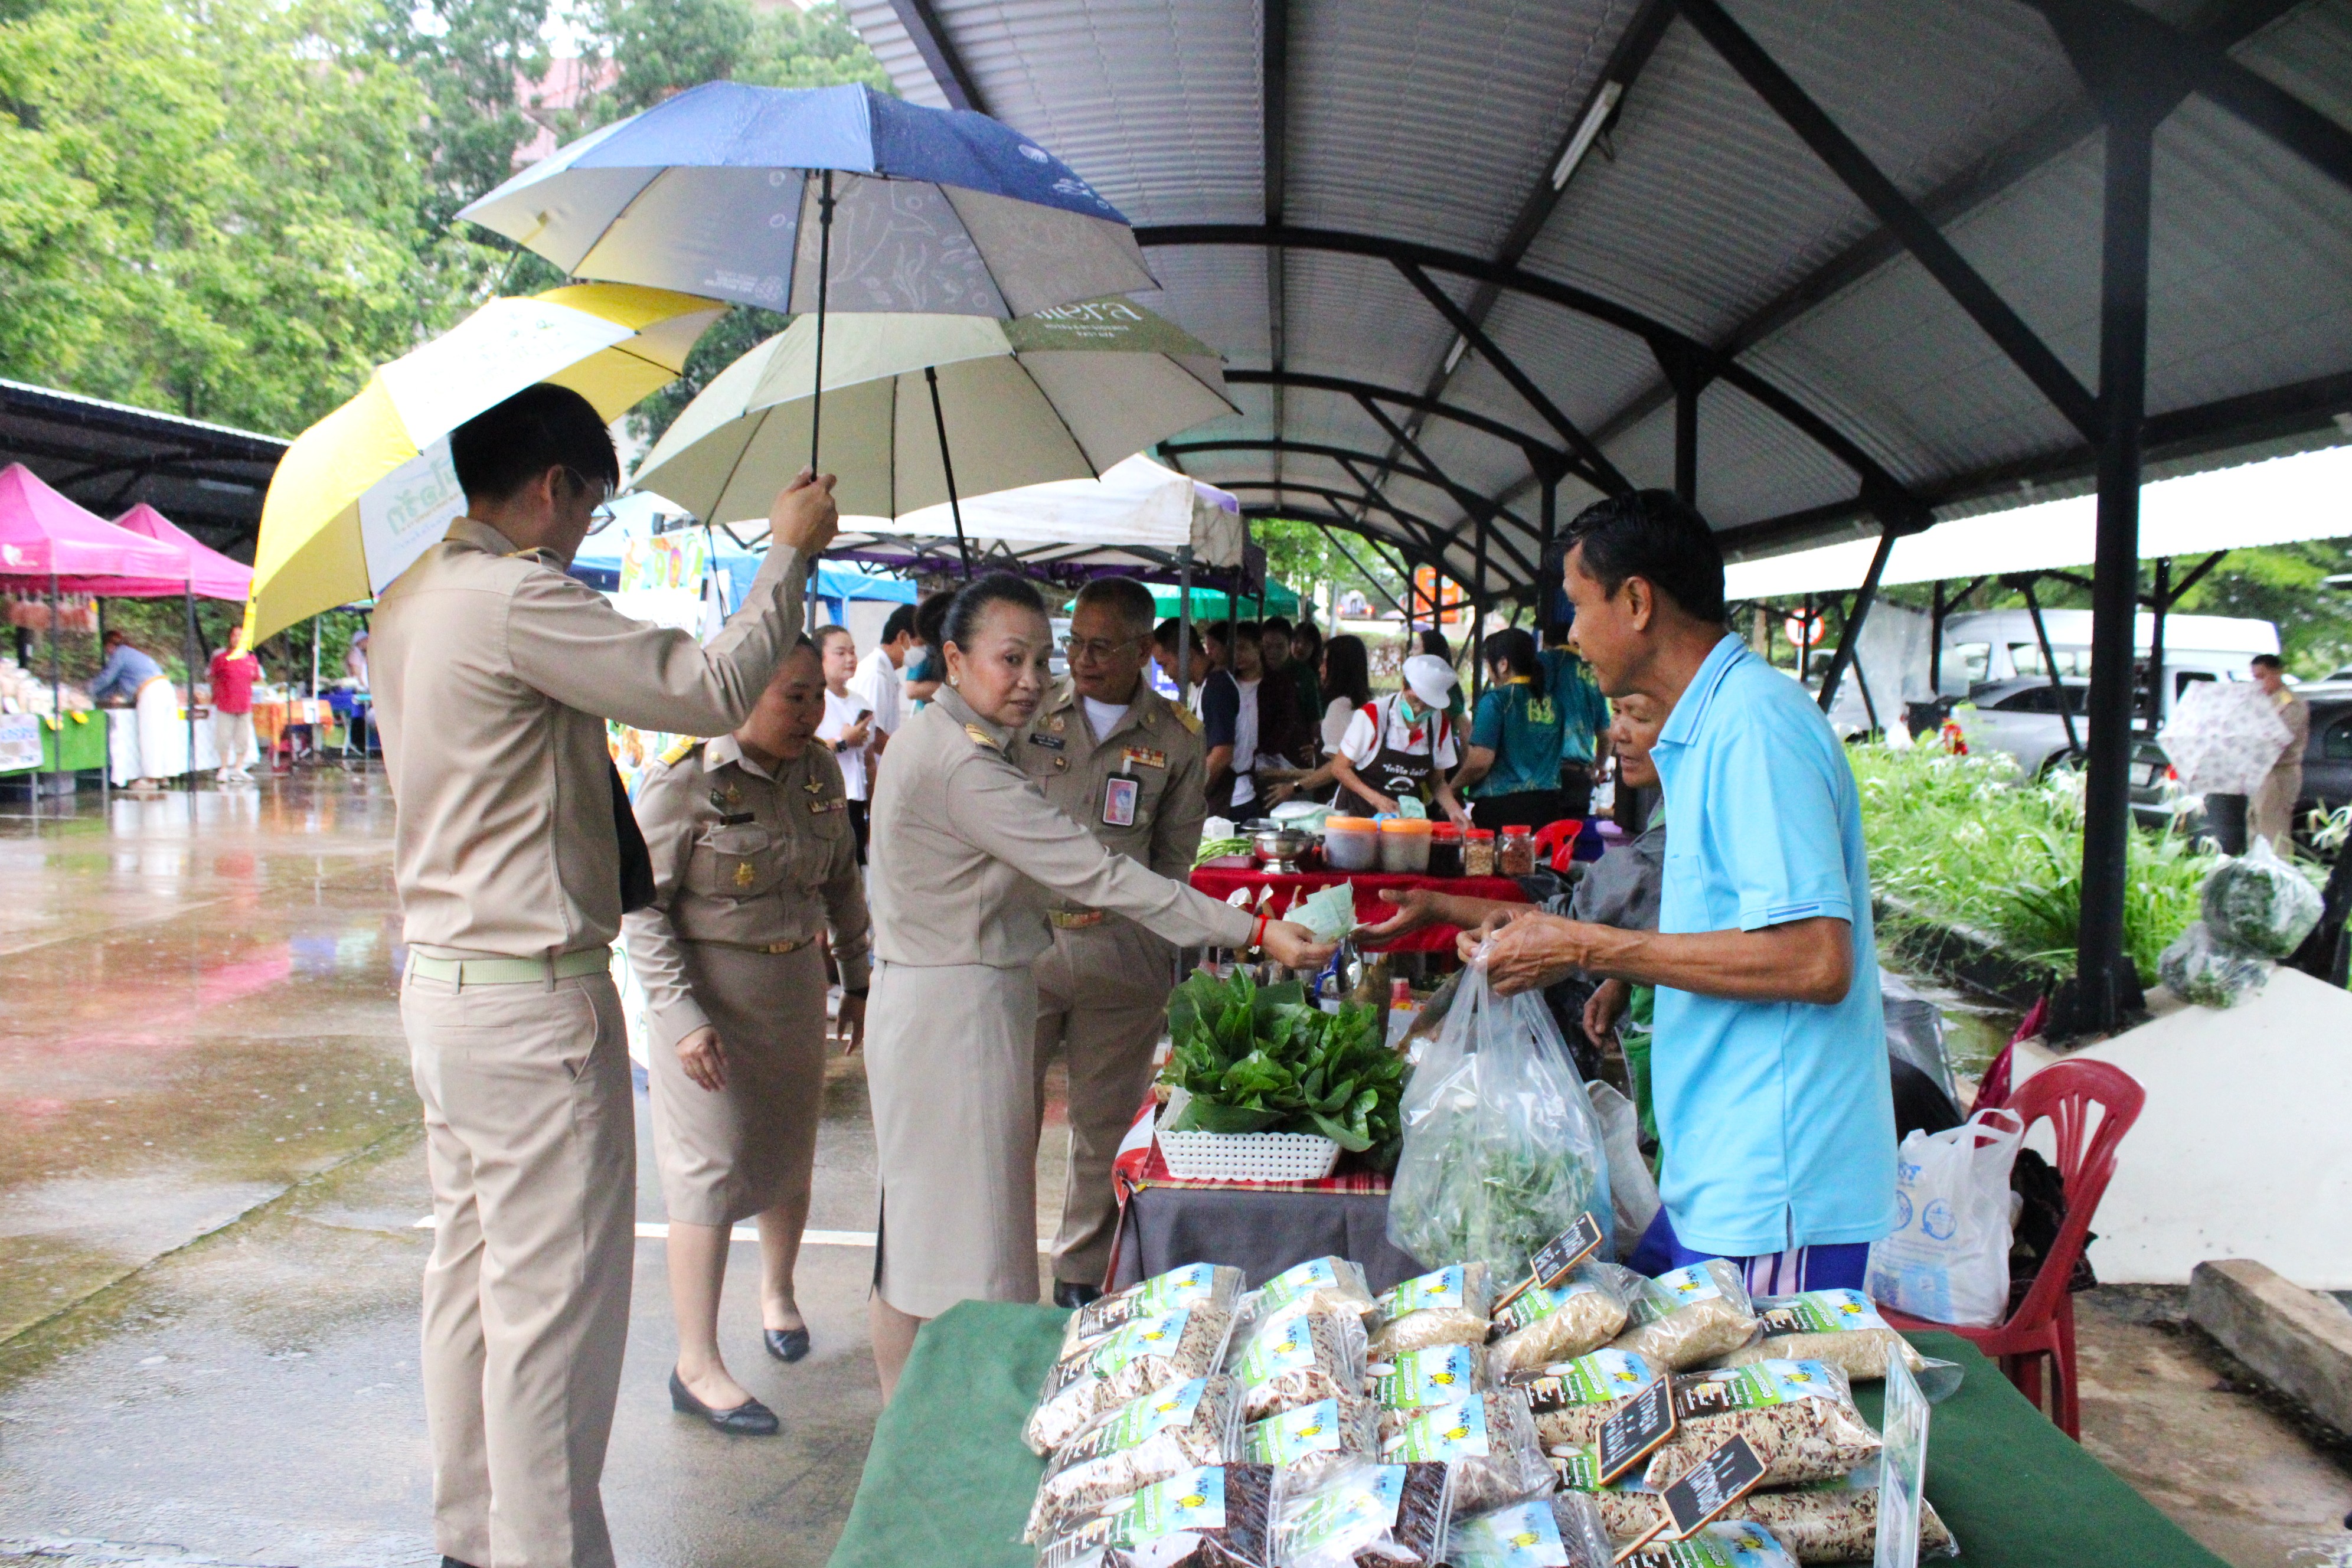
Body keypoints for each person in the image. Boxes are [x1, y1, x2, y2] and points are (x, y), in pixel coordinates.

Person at [371, 381, 838, 1568]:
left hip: (444, 987)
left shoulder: (408, 600)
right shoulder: (514, 597)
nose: (583, 534)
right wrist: (785, 555)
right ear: (548, 489)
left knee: (472, 1289)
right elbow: (712, 688)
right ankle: (545, 1552)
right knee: (554, 1321)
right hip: (531, 1001)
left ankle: (475, 1538)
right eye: (587, 507)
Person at [862, 573, 1334, 1396]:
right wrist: (1253, 930)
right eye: (1012, 658)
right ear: (954, 658)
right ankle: (962, 1428)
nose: (1035, 677)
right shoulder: (967, 767)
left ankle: (908, 1426)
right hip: (957, 1011)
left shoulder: (952, 740)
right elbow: (1094, 870)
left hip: (957, 994)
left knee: (915, 1236)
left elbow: (1157, 860)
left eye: (1042, 659)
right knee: (972, 1251)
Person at [1468, 490, 1895, 1296]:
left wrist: (1589, 946)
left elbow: (1814, 960)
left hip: (1776, 1187)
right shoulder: (1709, 725)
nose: (1567, 634)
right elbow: (1737, 912)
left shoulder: (1754, 729)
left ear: (1636, 602)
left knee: (1748, 1419)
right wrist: (1633, 973)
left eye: (1577, 605)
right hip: (1720, 1169)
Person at [623, 638, 870, 1436]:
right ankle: (695, 1362)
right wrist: (681, 1017)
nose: (809, 712)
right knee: (708, 1170)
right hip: (709, 1003)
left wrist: (859, 980)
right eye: (791, 696)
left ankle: (779, 1293)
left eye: (814, 697)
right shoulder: (685, 782)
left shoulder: (821, 772)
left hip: (794, 985)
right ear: (737, 696)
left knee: (786, 1149)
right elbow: (642, 910)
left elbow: (843, 886)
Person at [1020, 578, 1209, 1308]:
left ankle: (1079, 1271)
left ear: (1142, 648)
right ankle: (1001, 1265)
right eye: (1075, 643)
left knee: (1102, 1126)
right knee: (1007, 1112)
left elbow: (1174, 861)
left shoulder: (1175, 738)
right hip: (1025, 940)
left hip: (1120, 951)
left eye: (1102, 646)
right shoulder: (1032, 710)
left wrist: (1153, 947)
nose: (1084, 658)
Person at [1366, 693, 1669, 1089]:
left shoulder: (1676, 833)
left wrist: (1441, 906)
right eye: (1616, 713)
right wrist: (1621, 978)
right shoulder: (1669, 803)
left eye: (1639, 716)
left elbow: (1577, 918)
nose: (1615, 733)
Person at [1324, 652, 1471, 825]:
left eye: (1429, 704)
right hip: (1358, 819)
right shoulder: (1373, 715)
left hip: (1404, 824)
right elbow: (1339, 768)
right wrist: (1377, 800)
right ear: (1403, 685)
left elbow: (1437, 780)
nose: (1420, 709)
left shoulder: (1440, 722)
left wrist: (1454, 811)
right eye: (1416, 700)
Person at [1453, 627, 1571, 832]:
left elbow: (1480, 761)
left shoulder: (1497, 700)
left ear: (1503, 664)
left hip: (1503, 812)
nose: (1488, 671)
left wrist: (1453, 787)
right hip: (1549, 807)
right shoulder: (1556, 704)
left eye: (1488, 664)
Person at [1541, 626, 1614, 818]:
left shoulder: (1549, 661)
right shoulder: (1592, 673)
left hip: (1547, 774)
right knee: (1570, 841)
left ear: (1547, 644)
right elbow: (1606, 735)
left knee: (1543, 841)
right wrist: (1598, 767)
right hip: (1580, 776)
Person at [814, 623, 874, 856]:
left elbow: (869, 762)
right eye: (841, 653)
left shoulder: (862, 703)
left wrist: (873, 809)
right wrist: (842, 742)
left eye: (853, 651)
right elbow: (804, 752)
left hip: (856, 803)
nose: (850, 659)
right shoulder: (815, 702)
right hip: (824, 801)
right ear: (820, 659)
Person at [89, 629, 174, 790]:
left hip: (151, 692)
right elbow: (116, 684)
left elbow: (107, 677)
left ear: (109, 646)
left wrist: (89, 690)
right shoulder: (134, 654)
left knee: (151, 735)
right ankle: (164, 775)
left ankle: (151, 778)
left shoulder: (120, 654)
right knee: (164, 734)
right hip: (165, 687)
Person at [1200, 620, 1265, 814]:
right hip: (1241, 787)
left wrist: (1192, 792)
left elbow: (1222, 754)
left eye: (1213, 647)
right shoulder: (1227, 682)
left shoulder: (1221, 687)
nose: (1210, 653)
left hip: (1235, 792)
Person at [2249, 652, 2310, 851]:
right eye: (2255, 678)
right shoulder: (2262, 701)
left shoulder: (2290, 703)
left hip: (2278, 773)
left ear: (2278, 673)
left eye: (2262, 676)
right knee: (2255, 829)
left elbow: (2281, 739)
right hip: (2260, 773)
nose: (2258, 683)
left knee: (2273, 834)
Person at [851, 603, 919, 775]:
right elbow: (874, 736)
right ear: (903, 637)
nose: (923, 652)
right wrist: (911, 760)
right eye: (921, 644)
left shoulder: (884, 673)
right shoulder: (877, 676)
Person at [207, 624, 263, 783]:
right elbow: (212, 676)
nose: (238, 639)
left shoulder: (251, 659)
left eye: (241, 636)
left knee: (243, 738)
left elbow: (256, 678)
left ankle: (239, 767)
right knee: (223, 737)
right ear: (230, 638)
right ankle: (224, 768)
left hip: (244, 705)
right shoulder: (222, 658)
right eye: (235, 635)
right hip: (226, 703)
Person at [1316, 635, 1373, 755]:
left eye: (1326, 663)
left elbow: (1335, 764)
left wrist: (1286, 774)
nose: (1321, 669)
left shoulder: (1340, 706)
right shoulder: (1363, 703)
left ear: (1339, 667)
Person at [1152, 616, 1208, 714]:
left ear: (1187, 654)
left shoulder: (1215, 690)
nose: (1165, 673)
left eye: (1165, 665)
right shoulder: (1201, 686)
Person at [1289, 620, 1326, 752]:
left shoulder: (1316, 675)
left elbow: (1316, 718)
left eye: (1306, 643)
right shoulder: (1284, 669)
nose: (1300, 647)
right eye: (1296, 641)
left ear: (1315, 647)